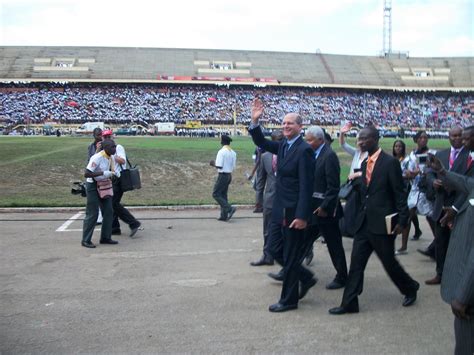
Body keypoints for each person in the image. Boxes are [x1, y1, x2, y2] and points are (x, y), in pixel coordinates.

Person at [329, 126, 420, 315]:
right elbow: (367, 193)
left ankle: (410, 287)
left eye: (365, 139)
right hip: (364, 224)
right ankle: (349, 303)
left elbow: (399, 193)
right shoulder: (363, 164)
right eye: (359, 139)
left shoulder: (389, 163)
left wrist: (402, 222)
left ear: (376, 139)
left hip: (382, 224)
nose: (360, 142)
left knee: (389, 263)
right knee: (356, 265)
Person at [249, 98, 315, 313]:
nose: (286, 126)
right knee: (273, 249)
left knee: (292, 255)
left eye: (291, 124)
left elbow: (307, 185)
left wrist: (303, 216)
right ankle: (305, 277)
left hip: (295, 212)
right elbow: (262, 143)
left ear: (300, 127)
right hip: (280, 209)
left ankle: (289, 300)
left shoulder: (304, 150)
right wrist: (255, 121)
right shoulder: (285, 146)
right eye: (284, 123)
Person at [427, 152, 474, 355]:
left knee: (465, 345)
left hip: (469, 295)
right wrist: (442, 171)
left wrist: (462, 295)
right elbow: (466, 183)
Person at [304, 126, 347, 289]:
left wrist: (324, 206)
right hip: (313, 209)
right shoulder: (313, 154)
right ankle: (292, 269)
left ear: (320, 140)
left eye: (310, 140)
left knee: (334, 244)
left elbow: (333, 186)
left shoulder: (329, 156)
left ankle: (342, 276)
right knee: (303, 241)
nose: (307, 143)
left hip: (325, 211)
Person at [424, 126, 469, 285]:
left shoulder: (469, 155)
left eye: (459, 135)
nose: (456, 138)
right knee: (440, 243)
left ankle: (458, 276)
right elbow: (428, 172)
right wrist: (432, 182)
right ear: (448, 137)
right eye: (453, 136)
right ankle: (440, 274)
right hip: (440, 205)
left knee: (459, 245)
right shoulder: (441, 154)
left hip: (459, 206)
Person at [250, 130, 283, 266]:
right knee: (267, 229)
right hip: (270, 198)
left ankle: (302, 252)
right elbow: (261, 181)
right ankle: (267, 255)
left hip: (286, 199)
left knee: (287, 229)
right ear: (272, 141)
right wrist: (259, 201)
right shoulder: (265, 157)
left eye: (282, 139)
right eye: (277, 140)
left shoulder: (290, 154)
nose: (280, 142)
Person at [102, 130, 142, 238]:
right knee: (113, 203)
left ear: (112, 136)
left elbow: (123, 161)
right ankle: (115, 228)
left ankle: (133, 223)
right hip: (112, 178)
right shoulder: (104, 149)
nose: (107, 138)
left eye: (108, 136)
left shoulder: (118, 147)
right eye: (105, 137)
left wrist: (112, 153)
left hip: (119, 179)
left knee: (113, 203)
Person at [81, 139, 120, 248]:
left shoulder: (110, 157)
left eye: (115, 146)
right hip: (93, 186)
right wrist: (103, 173)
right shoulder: (97, 157)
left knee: (108, 211)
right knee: (92, 213)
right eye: (112, 147)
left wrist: (114, 173)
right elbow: (87, 173)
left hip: (104, 185)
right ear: (106, 148)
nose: (115, 148)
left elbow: (110, 171)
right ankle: (86, 240)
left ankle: (105, 237)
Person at [338, 123, 367, 239]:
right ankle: (350, 229)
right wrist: (341, 133)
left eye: (361, 141)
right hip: (353, 185)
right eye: (358, 141)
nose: (359, 143)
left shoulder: (370, 155)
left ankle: (357, 230)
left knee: (359, 209)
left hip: (363, 186)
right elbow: (343, 145)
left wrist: (357, 173)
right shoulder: (356, 153)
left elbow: (370, 171)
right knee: (351, 208)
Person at [210, 135, 237, 221]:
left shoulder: (221, 152)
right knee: (223, 195)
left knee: (216, 194)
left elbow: (220, 166)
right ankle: (224, 215)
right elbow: (233, 166)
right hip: (229, 175)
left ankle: (229, 208)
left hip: (222, 175)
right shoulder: (233, 152)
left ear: (222, 142)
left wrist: (213, 164)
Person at [392, 139, 411, 255]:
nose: (398, 148)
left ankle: (403, 246)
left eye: (400, 146)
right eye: (396, 146)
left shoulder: (408, 160)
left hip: (405, 191)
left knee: (405, 218)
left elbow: (411, 175)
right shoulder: (392, 160)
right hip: (395, 192)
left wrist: (398, 177)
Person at [87, 127, 104, 225]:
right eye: (98, 135)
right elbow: (90, 160)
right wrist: (97, 150)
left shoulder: (105, 144)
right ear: (94, 136)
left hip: (103, 173)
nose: (99, 137)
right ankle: (98, 216)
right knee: (95, 196)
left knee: (104, 194)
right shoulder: (91, 146)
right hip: (94, 173)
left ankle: (102, 215)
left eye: (100, 135)